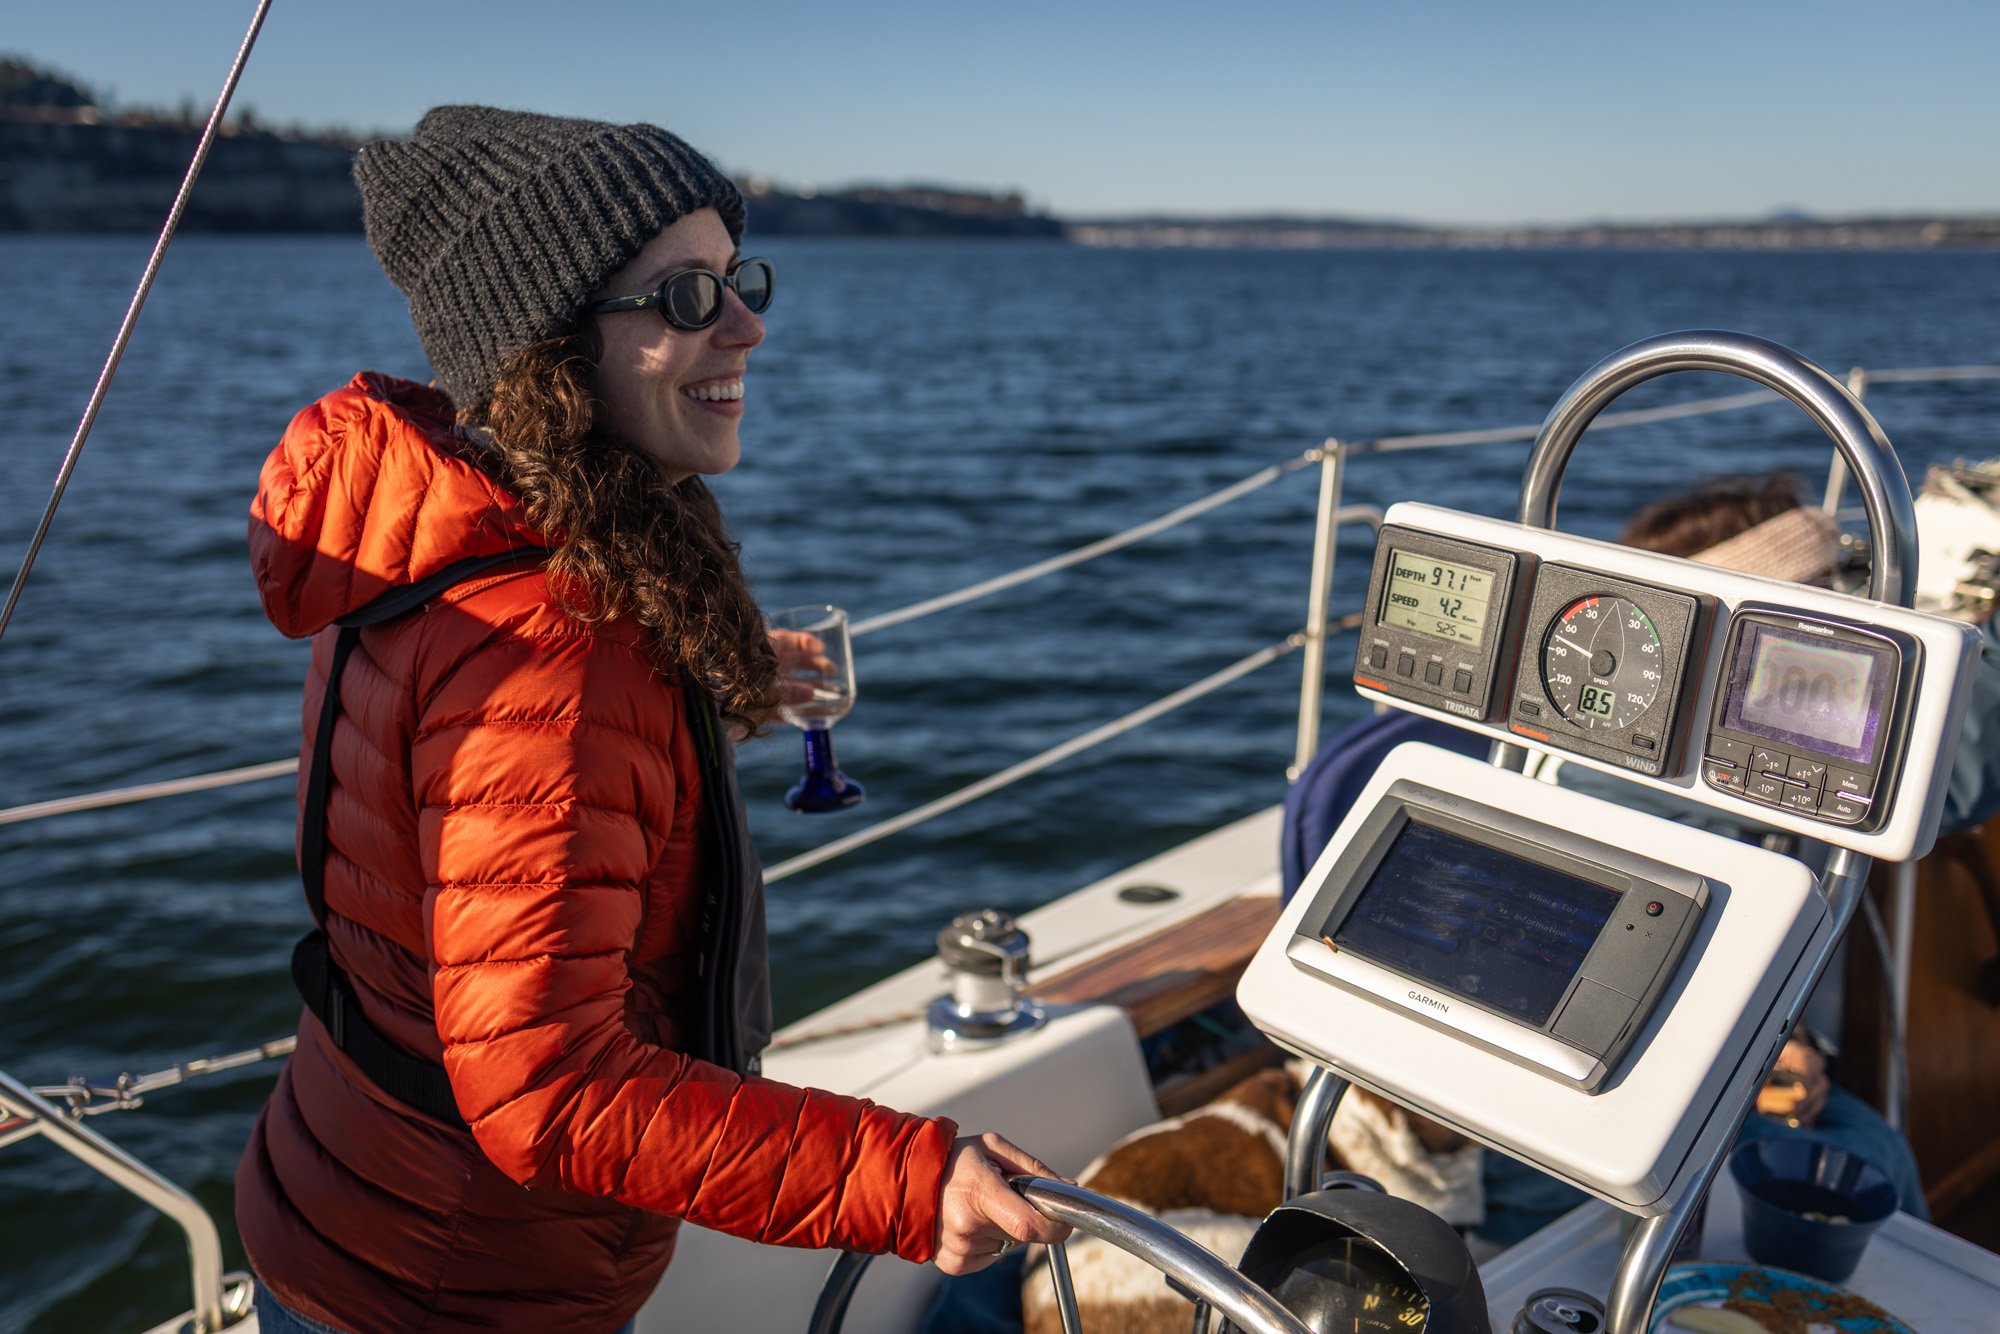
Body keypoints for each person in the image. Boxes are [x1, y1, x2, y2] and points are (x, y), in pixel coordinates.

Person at [238, 106, 1068, 1334]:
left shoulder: (422, 542)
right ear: (549, 352)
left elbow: (461, 819)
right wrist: (906, 1174)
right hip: (454, 1287)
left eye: (740, 280)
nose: (747, 324)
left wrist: (692, 711)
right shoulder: (558, 643)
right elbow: (545, 1086)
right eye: (685, 297)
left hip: (351, 1198)